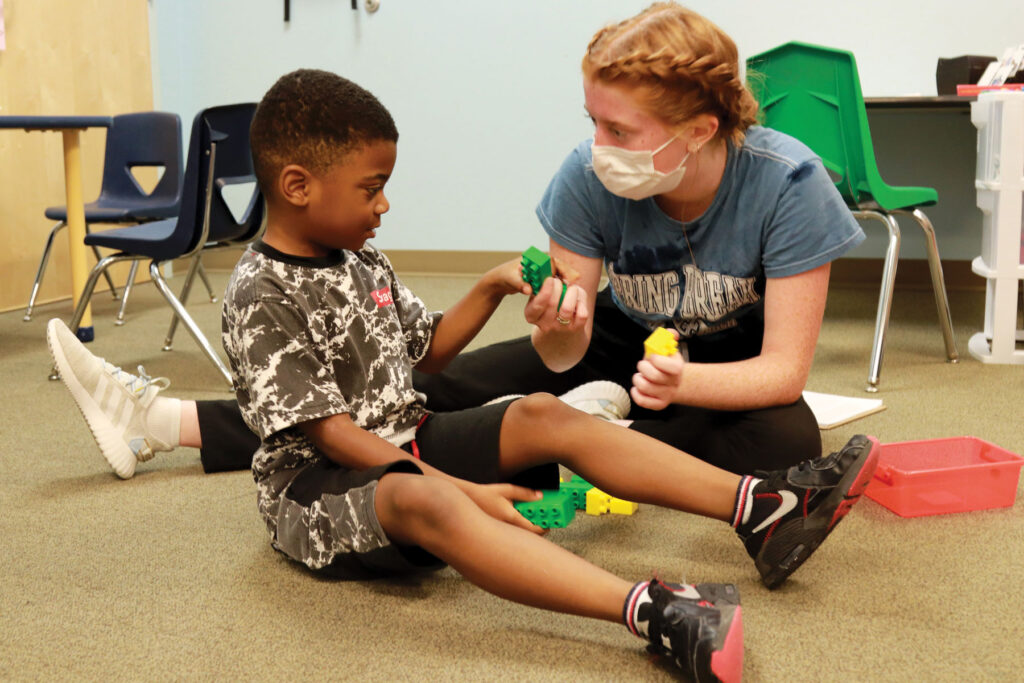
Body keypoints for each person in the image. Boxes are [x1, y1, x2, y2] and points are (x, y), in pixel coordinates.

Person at [48, 66, 880, 681]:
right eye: (372, 188)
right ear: (298, 186)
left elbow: (425, 353)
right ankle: (650, 608)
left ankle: (761, 510)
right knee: (427, 495)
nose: (384, 206)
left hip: (407, 437)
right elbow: (330, 433)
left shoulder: (357, 256)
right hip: (318, 490)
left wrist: (487, 286)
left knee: (545, 412)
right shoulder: (258, 292)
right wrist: (466, 488)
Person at [50, 2, 867, 479]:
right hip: (620, 349)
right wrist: (560, 327)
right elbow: (563, 350)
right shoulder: (588, 177)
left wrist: (674, 388)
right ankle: (165, 420)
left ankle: (598, 441)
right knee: (408, 391)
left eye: (619, 127)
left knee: (786, 437)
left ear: (699, 128)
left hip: (716, 378)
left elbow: (782, 370)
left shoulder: (787, 184)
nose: (597, 144)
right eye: (591, 118)